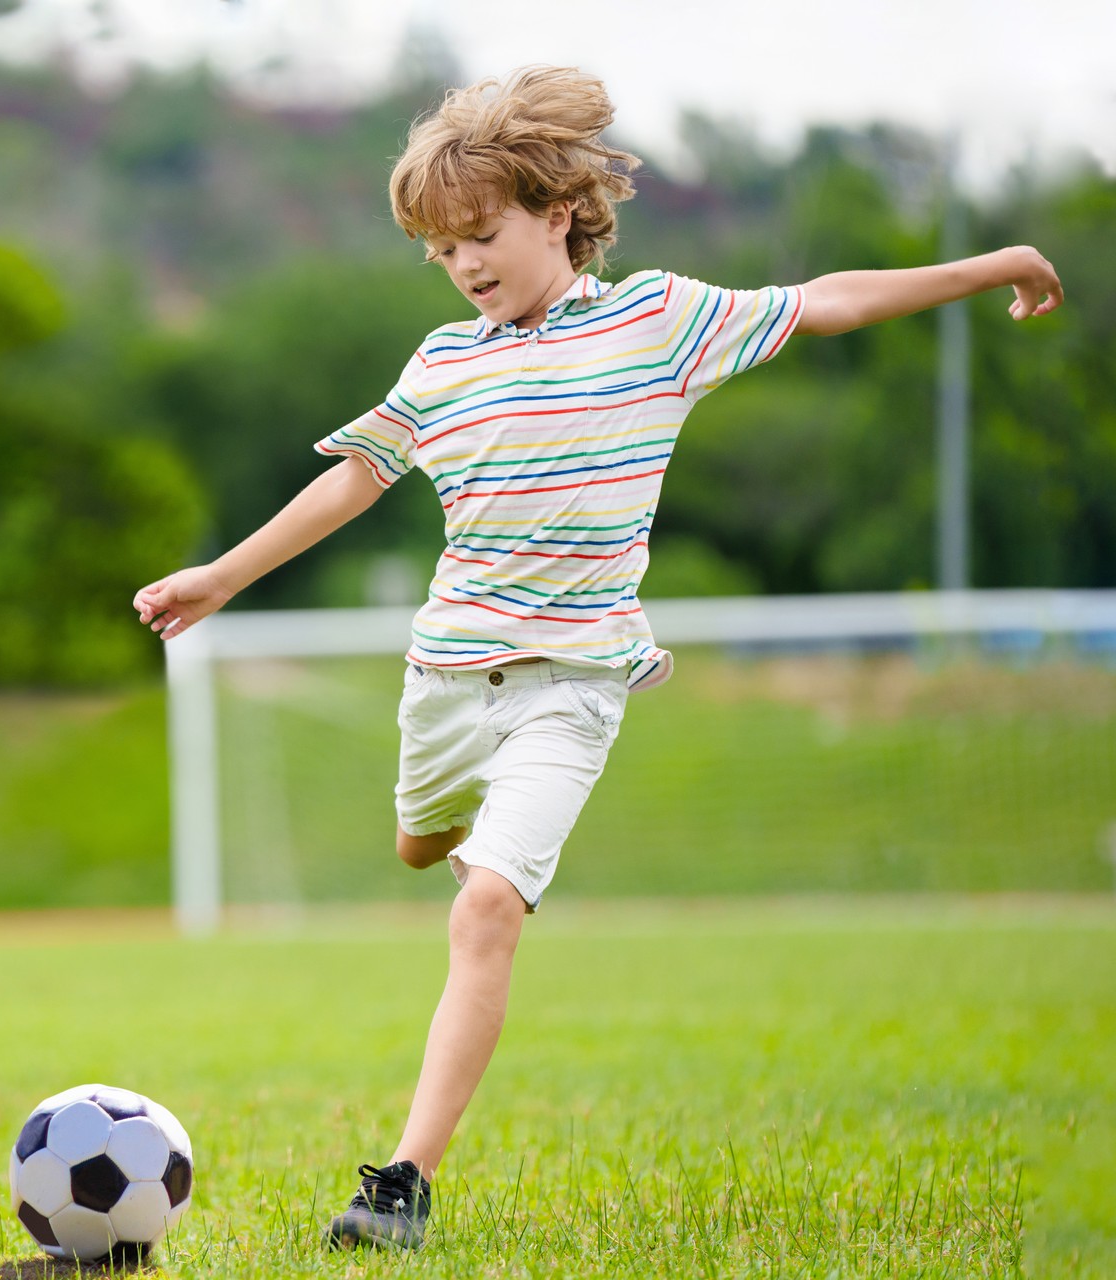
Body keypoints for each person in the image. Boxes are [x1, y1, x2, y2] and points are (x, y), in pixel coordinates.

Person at [131, 65, 1063, 1251]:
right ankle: (432, 825)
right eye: (442, 250)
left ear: (559, 211)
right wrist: (221, 575)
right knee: (422, 841)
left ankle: (402, 1182)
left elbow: (826, 298)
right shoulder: (442, 363)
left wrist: (996, 264)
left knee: (484, 907)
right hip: (447, 682)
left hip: (573, 689)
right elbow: (356, 478)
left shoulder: (662, 320)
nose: (466, 265)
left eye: (483, 235)